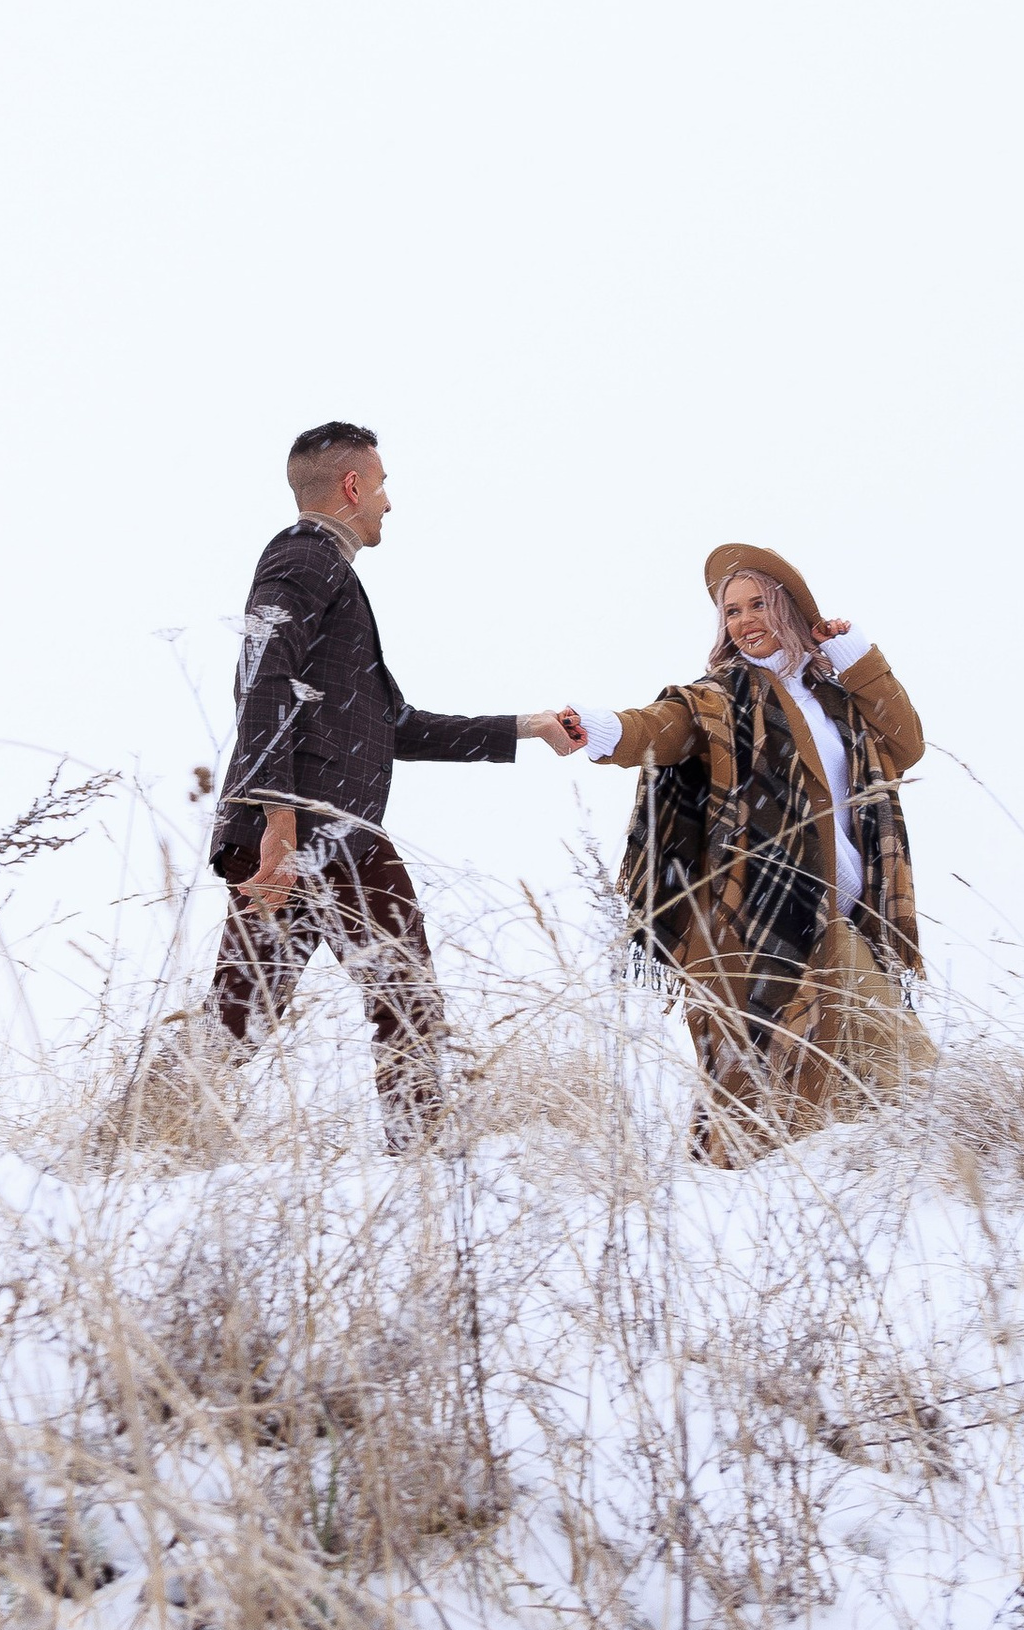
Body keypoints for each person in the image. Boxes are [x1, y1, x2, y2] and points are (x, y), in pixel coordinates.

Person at [202, 422, 582, 1147]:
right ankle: (424, 1163)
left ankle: (135, 1146)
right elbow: (260, 680)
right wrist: (279, 828)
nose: (388, 502)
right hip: (316, 830)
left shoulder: (329, 575)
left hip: (320, 832)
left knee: (239, 1020)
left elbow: (396, 726)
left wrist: (527, 727)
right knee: (402, 993)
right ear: (352, 486)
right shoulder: (302, 556)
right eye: (381, 484)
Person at [575, 544, 931, 1164]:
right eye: (731, 611)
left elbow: (909, 741)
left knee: (798, 1109)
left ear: (790, 609)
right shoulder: (721, 697)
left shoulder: (838, 702)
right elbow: (664, 726)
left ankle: (756, 1207)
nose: (744, 621)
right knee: (899, 1071)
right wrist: (604, 729)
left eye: (758, 604)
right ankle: (980, 1152)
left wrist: (852, 656)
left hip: (842, 919)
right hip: (755, 924)